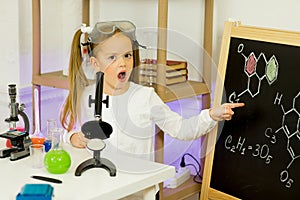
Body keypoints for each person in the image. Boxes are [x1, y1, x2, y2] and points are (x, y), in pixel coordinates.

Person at [60, 20, 244, 200]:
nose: (123, 63)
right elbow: (65, 134)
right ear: (95, 63)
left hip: (138, 190)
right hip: (101, 188)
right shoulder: (86, 96)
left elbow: (181, 129)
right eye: (112, 57)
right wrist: (73, 138)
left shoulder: (145, 96)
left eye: (127, 55)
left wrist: (211, 115)